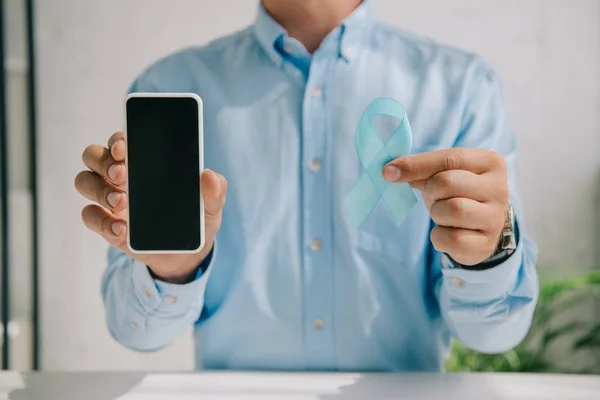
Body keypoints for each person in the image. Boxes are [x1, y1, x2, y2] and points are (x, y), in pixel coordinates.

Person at [74, 0, 538, 371]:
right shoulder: (168, 86)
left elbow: (494, 334)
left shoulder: (460, 87)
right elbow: (137, 332)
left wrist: (487, 256)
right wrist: (172, 271)